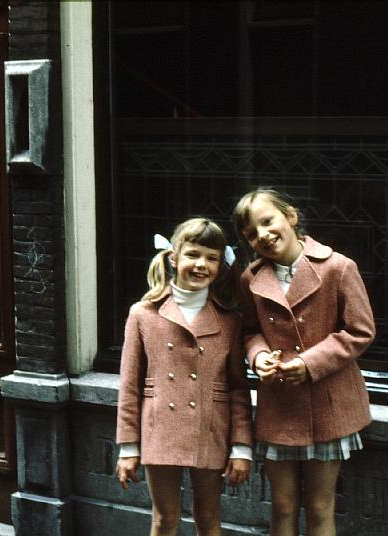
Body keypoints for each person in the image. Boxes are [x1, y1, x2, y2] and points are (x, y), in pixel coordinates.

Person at [232, 189, 376, 536]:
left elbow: (360, 331)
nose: (263, 235)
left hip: (329, 405)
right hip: (279, 407)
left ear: (291, 217)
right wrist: (259, 357)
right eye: (251, 233)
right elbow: (250, 331)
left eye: (268, 221)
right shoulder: (251, 279)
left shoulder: (338, 268)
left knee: (320, 506)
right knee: (281, 506)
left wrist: (310, 363)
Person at [115, 217, 253, 536]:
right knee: (164, 519)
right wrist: (128, 447)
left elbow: (238, 389)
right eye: (192, 254)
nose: (201, 264)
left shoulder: (229, 321)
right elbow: (129, 386)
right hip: (160, 429)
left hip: (211, 430)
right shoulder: (143, 314)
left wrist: (242, 447)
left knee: (209, 520)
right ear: (174, 258)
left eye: (211, 257)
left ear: (221, 264)